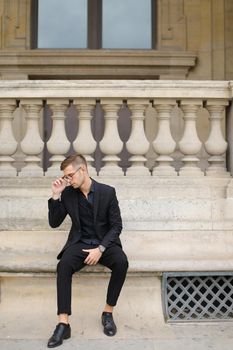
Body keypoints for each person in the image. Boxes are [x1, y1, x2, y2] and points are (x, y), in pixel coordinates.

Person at [47, 154, 128, 348]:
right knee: (63, 265)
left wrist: (100, 249)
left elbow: (116, 226)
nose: (68, 180)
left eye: (69, 175)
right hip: (80, 242)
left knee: (122, 262)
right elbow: (54, 223)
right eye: (65, 177)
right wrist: (55, 195)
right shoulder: (67, 193)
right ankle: (63, 323)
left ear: (82, 170)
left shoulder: (107, 192)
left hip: (104, 244)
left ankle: (108, 312)